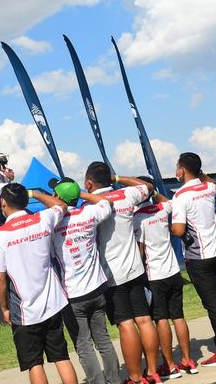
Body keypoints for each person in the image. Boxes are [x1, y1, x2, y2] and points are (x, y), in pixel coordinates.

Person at [0, 183, 78, 384]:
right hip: (53, 303)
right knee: (61, 357)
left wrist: (4, 308)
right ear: (26, 201)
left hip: (24, 311)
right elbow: (60, 205)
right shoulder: (43, 219)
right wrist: (33, 193)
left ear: (3, 203)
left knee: (33, 363)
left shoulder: (0, 235)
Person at [84, 162, 160, 384]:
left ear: (89, 183)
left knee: (126, 324)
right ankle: (153, 372)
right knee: (145, 320)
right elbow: (147, 185)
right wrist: (117, 178)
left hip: (112, 275)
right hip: (135, 268)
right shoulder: (126, 195)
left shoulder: (90, 207)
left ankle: (136, 377)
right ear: (109, 179)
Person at [170, 153, 216, 365]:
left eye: (178, 167)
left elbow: (178, 229)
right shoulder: (209, 188)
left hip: (199, 257)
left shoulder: (180, 196)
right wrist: (198, 171)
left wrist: (170, 228)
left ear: (182, 170)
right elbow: (210, 181)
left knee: (213, 304)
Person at [49, 178, 119, 384]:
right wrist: (77, 194)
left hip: (73, 295)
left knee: (84, 345)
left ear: (58, 197)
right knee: (103, 339)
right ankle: (114, 380)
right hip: (97, 288)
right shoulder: (89, 213)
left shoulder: (51, 222)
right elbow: (106, 202)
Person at [132, 177, 197, 377]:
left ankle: (169, 365)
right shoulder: (162, 208)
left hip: (155, 274)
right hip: (173, 272)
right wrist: (153, 192)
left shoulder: (137, 217)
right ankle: (188, 360)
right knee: (178, 316)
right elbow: (170, 202)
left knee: (161, 319)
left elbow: (140, 249)